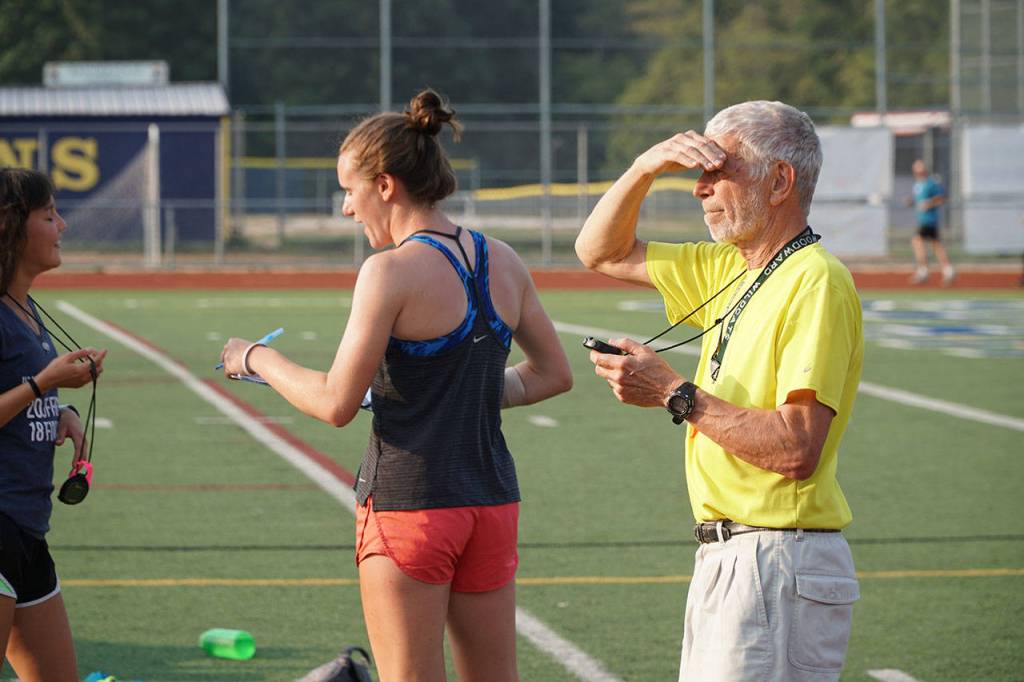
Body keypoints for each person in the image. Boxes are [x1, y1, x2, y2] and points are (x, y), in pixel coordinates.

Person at [221, 89, 572, 682]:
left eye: (348, 190)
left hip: (410, 507)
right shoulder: (504, 259)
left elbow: (335, 403)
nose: (344, 209)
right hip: (491, 501)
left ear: (385, 186)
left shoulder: (389, 271)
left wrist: (257, 358)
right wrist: (460, 393)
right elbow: (552, 374)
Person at [575, 101, 863, 681]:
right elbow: (600, 251)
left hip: (775, 558)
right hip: (736, 557)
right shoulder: (732, 267)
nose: (698, 188)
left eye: (717, 169)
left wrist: (673, 393)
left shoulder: (815, 279)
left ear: (780, 181)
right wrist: (644, 168)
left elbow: (796, 448)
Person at [0, 168, 106, 680]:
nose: (62, 225)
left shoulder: (28, 310)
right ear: (11, 227)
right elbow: (27, 386)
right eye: (49, 215)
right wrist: (42, 385)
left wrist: (59, 408)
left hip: (27, 530)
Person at [907, 159, 955, 285]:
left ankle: (924, 271)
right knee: (936, 245)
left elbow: (942, 197)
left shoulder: (931, 183)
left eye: (920, 169)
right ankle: (947, 270)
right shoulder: (917, 184)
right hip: (922, 219)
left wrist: (930, 203)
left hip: (929, 219)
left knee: (917, 241)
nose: (918, 172)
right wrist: (911, 202)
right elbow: (918, 200)